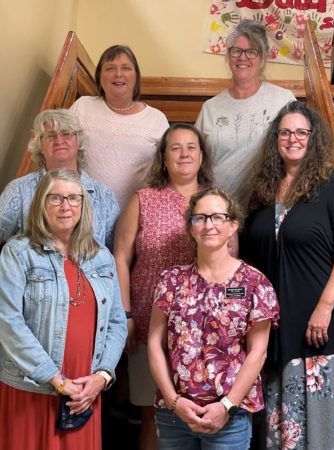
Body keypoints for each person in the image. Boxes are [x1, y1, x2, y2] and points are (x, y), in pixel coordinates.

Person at [240, 101, 334, 450]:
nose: (293, 139)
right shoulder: (263, 192)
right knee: (281, 431)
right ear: (275, 139)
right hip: (277, 331)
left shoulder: (333, 185)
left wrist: (325, 306)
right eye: (285, 132)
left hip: (324, 330)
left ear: (313, 138)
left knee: (325, 433)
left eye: (301, 132)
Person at [0, 169, 127, 450]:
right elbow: (7, 321)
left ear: (84, 204)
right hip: (32, 387)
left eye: (73, 198)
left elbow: (118, 322)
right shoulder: (17, 253)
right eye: (55, 198)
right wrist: (55, 379)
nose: (65, 206)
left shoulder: (102, 257)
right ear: (41, 204)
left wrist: (102, 377)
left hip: (84, 391)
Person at [148, 187, 280, 450]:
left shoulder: (255, 283)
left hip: (229, 416)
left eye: (217, 217)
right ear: (191, 227)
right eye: (200, 217)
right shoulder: (170, 280)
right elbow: (154, 344)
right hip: (175, 414)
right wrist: (174, 402)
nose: (209, 225)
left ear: (232, 226)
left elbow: (258, 352)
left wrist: (226, 405)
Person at [114, 123, 214, 450]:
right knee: (152, 413)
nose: (184, 153)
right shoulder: (144, 199)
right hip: (147, 323)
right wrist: (125, 314)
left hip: (206, 329)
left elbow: (232, 260)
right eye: (175, 147)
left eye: (191, 147)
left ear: (202, 156)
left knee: (200, 411)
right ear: (164, 157)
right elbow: (120, 256)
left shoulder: (216, 202)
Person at [195, 19, 295, 207]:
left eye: (251, 52)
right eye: (236, 51)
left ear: (263, 58)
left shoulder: (283, 100)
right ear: (229, 56)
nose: (243, 57)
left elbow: (301, 150)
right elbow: (195, 160)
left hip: (268, 206)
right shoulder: (210, 107)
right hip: (219, 210)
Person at [0, 109, 119, 250]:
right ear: (39, 144)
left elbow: (117, 252)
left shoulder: (103, 194)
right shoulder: (19, 190)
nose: (59, 141)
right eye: (50, 136)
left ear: (78, 141)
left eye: (67, 134)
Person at [70, 44, 169, 210]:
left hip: (134, 215)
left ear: (136, 76)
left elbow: (168, 170)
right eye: (110, 68)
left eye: (126, 68)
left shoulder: (156, 119)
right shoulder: (82, 107)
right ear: (99, 77)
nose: (118, 74)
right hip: (82, 212)